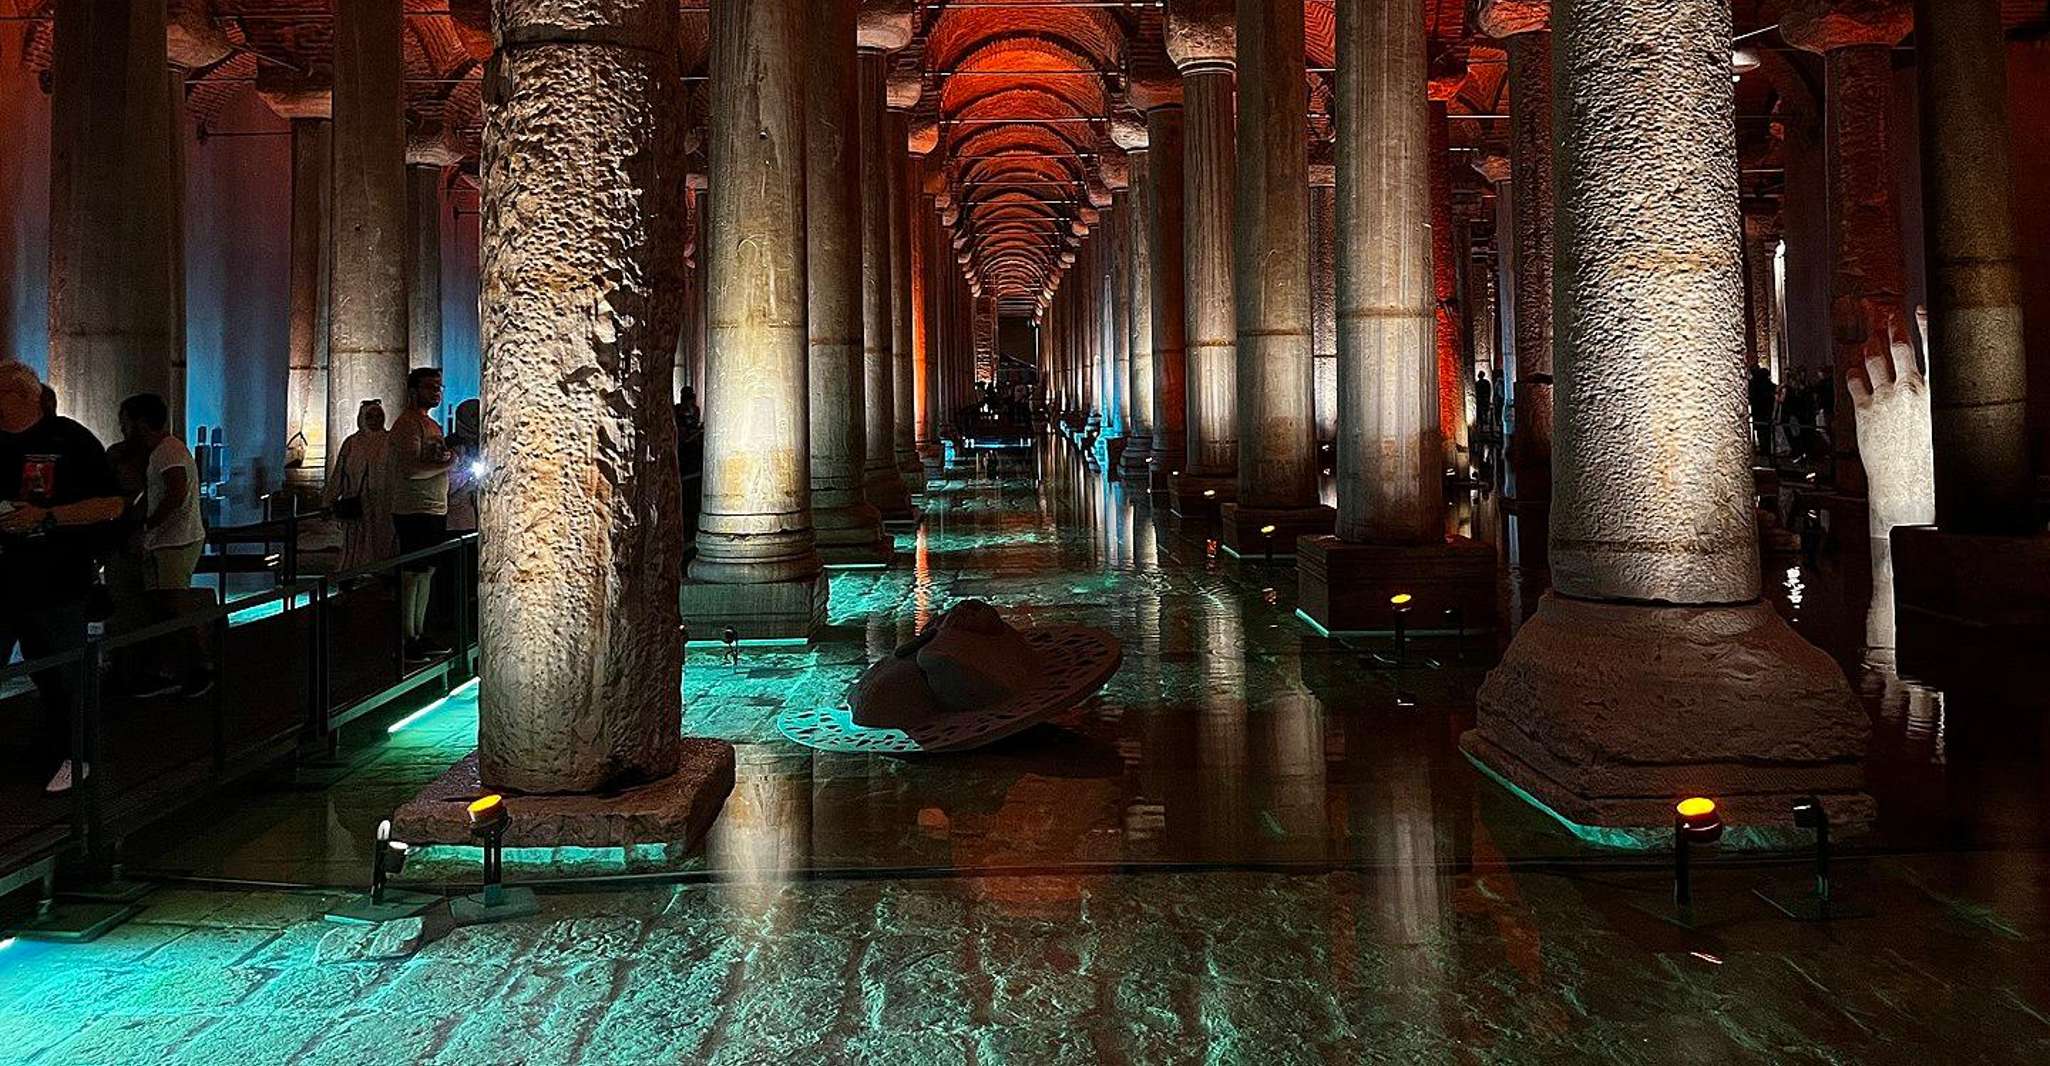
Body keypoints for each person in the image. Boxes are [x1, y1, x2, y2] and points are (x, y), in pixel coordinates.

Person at [0, 361, 125, 794]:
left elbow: (112, 504)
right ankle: (50, 747)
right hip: (4, 580)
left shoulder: (70, 440)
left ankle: (77, 754)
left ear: (23, 396)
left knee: (64, 674)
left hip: (56, 583)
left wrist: (48, 516)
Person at [118, 393, 212, 698]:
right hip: (174, 538)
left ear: (141, 423)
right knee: (166, 606)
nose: (122, 429)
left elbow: (175, 492)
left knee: (174, 605)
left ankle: (197, 668)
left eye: (125, 422)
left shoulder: (166, 451)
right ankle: (168, 668)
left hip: (175, 540)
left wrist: (147, 525)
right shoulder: (167, 449)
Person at [388, 368, 454, 661]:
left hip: (434, 507)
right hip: (414, 508)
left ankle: (418, 633)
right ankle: (407, 638)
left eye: (439, 387)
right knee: (412, 575)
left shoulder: (430, 424)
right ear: (414, 390)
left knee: (426, 573)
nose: (436, 392)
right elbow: (411, 470)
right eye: (430, 387)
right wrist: (449, 464)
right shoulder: (407, 424)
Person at [327, 400, 397, 573]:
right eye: (370, 416)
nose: (376, 420)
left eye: (379, 416)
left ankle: (381, 572)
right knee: (355, 540)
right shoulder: (352, 443)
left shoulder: (391, 441)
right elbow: (339, 474)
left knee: (381, 538)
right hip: (356, 501)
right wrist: (328, 500)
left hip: (383, 502)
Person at [445, 398, 482, 534]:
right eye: (472, 416)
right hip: (458, 516)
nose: (476, 421)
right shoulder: (451, 445)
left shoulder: (485, 441)